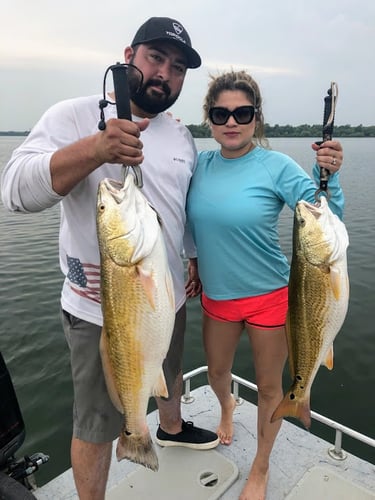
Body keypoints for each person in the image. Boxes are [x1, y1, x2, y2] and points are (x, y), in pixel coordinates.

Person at [1, 17, 219, 500]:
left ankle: (172, 427)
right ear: (129, 56)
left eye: (178, 67)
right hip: (101, 311)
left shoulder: (181, 136)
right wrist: (95, 148)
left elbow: (178, 208)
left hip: (166, 297)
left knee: (168, 372)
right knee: (98, 421)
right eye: (155, 58)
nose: (165, 73)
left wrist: (193, 257)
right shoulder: (74, 116)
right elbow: (14, 192)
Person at [185, 70, 344, 500]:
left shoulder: (276, 166)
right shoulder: (199, 165)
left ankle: (260, 466)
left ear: (256, 118)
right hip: (218, 297)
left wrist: (331, 174)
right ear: (210, 119)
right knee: (218, 373)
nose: (231, 122)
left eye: (242, 112)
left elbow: (322, 214)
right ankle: (227, 408)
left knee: (273, 387)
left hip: (272, 297)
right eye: (221, 113)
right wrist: (194, 262)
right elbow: (191, 223)